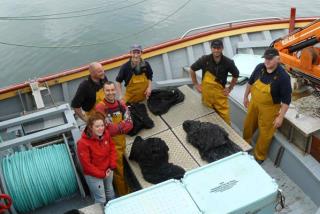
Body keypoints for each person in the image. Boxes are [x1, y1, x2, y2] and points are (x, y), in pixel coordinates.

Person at [243, 47, 292, 164]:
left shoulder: (284, 77)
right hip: (254, 103)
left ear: (278, 59)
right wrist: (245, 97)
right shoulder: (260, 67)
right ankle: (244, 145)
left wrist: (280, 117)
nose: (267, 61)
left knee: (265, 134)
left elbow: (286, 100)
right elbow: (250, 83)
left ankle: (259, 156)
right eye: (265, 58)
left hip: (270, 109)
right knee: (248, 125)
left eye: (270, 59)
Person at [95, 81, 133, 196]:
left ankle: (126, 188)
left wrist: (117, 127)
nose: (110, 93)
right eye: (108, 90)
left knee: (123, 167)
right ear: (103, 91)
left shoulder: (121, 104)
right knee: (118, 171)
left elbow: (130, 124)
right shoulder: (101, 107)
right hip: (111, 146)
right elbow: (107, 130)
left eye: (112, 90)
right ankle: (124, 194)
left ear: (115, 90)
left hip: (122, 142)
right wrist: (122, 125)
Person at [189, 39, 239, 125]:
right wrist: (196, 84)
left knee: (225, 119)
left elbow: (236, 74)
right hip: (207, 95)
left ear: (222, 48)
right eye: (214, 48)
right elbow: (192, 69)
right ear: (211, 48)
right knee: (208, 118)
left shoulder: (228, 62)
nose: (216, 50)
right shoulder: (204, 59)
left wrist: (230, 88)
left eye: (218, 48)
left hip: (220, 95)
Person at [77, 113, 117, 204]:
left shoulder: (106, 134)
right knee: (101, 199)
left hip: (108, 169)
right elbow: (87, 166)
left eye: (102, 125)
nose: (101, 128)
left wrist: (112, 165)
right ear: (91, 127)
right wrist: (102, 174)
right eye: (97, 126)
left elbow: (112, 148)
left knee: (110, 192)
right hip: (93, 175)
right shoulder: (82, 143)